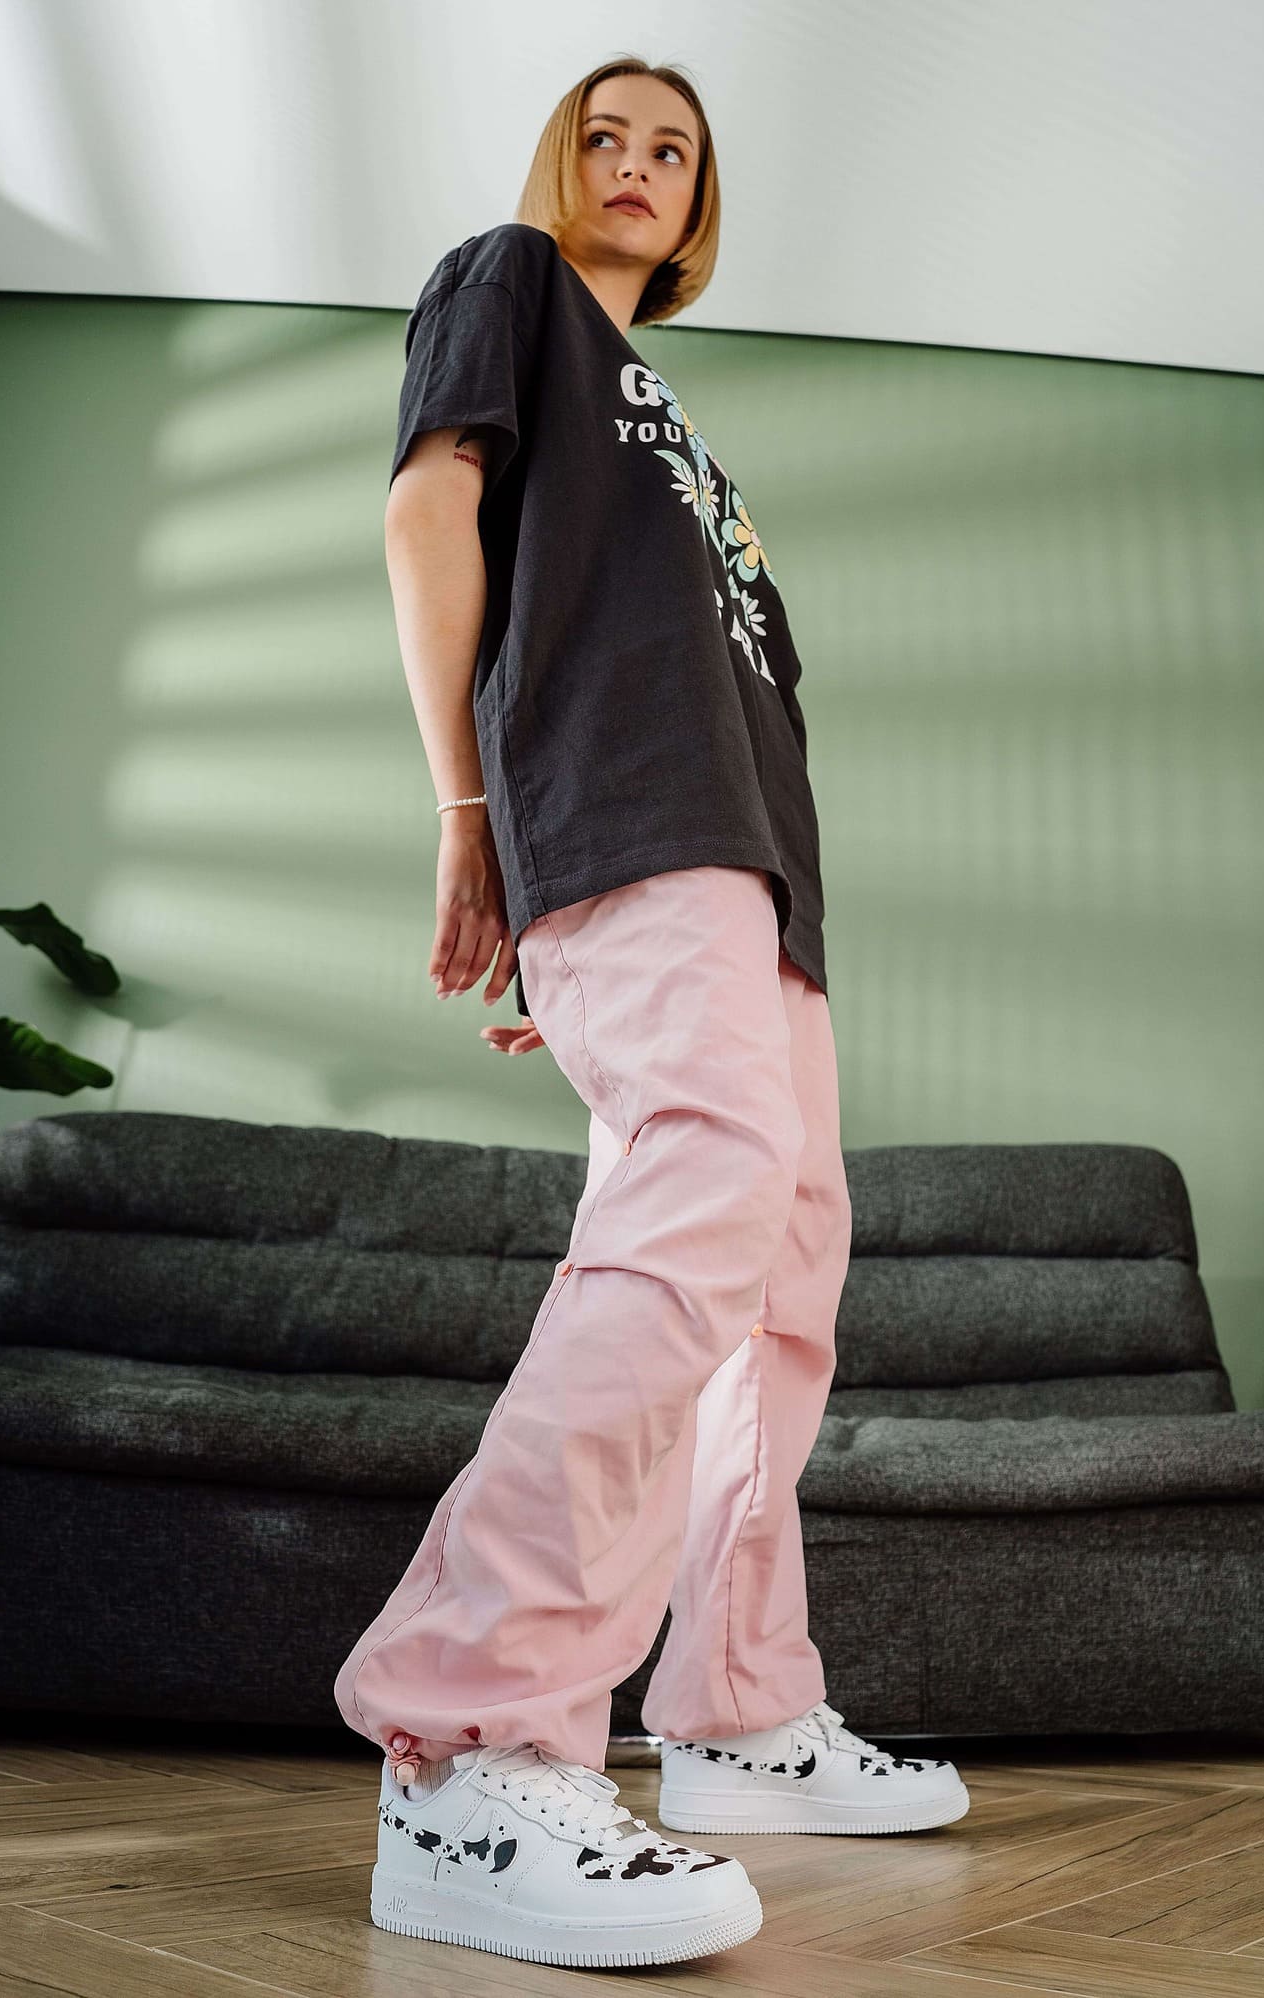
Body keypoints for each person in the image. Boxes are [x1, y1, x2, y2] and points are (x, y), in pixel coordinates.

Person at [334, 54, 970, 1970]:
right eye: (603, 134)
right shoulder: (504, 288)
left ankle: (739, 1708)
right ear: (561, 167)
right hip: (637, 826)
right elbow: (428, 522)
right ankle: (467, 1737)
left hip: (752, 873)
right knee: (701, 1208)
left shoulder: (686, 441)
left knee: (786, 1274)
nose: (632, 164)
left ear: (700, 207)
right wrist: (484, 823)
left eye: (670, 148)